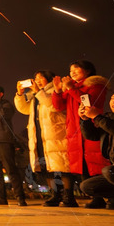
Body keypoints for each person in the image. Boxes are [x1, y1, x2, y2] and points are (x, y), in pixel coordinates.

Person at [52, 60, 114, 209]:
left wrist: (71, 87)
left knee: (98, 162)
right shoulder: (73, 87)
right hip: (74, 130)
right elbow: (58, 106)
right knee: (83, 165)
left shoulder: (96, 84)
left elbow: (87, 102)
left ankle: (113, 198)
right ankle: (96, 198)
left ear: (87, 71)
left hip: (92, 127)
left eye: (76, 70)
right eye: (71, 70)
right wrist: (57, 91)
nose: (72, 73)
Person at [14, 71, 75, 207]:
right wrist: (19, 94)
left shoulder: (56, 90)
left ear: (50, 78)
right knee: (46, 167)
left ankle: (69, 196)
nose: (37, 80)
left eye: (40, 77)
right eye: (35, 78)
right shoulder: (35, 95)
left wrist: (37, 91)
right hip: (40, 134)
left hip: (55, 133)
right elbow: (24, 109)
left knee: (63, 165)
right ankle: (55, 195)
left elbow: (53, 106)